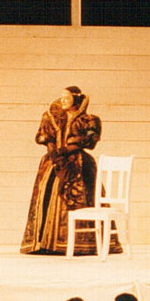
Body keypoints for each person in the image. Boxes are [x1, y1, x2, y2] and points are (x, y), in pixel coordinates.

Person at [21, 86, 102, 254]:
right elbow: (45, 137)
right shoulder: (52, 117)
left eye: (67, 97)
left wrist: (67, 149)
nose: (62, 100)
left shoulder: (88, 120)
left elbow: (89, 139)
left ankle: (76, 243)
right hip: (53, 160)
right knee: (46, 193)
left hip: (77, 162)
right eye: (61, 97)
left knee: (76, 195)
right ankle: (44, 242)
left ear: (76, 99)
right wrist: (54, 151)